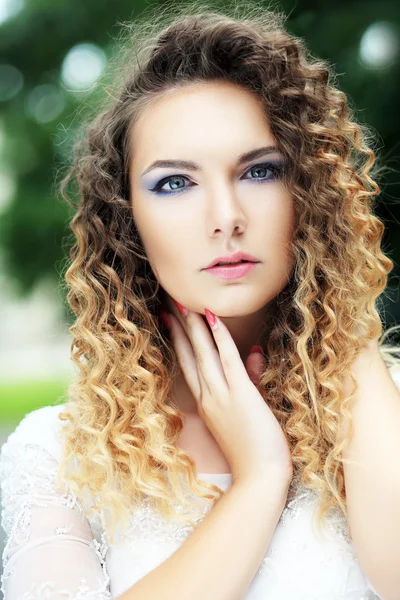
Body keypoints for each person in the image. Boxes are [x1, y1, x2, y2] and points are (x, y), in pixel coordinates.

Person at [1, 2, 400, 599]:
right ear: (125, 221)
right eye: (175, 183)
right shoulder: (57, 454)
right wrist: (259, 480)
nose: (226, 218)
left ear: (312, 196)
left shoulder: (385, 405)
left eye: (260, 172)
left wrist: (344, 301)